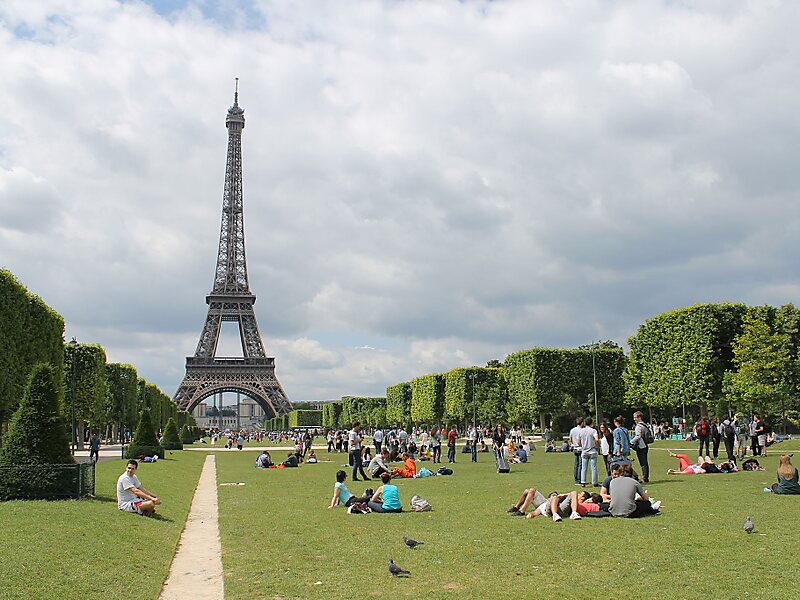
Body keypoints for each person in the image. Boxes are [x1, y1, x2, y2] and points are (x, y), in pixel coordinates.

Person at [629, 411, 650, 483]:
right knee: (645, 462)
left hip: (641, 446)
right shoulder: (645, 425)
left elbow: (638, 436)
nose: (634, 419)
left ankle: (645, 478)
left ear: (639, 417)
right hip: (645, 445)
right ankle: (646, 477)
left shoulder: (638, 426)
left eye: (635, 417)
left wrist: (631, 442)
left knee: (643, 463)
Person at [579, 417, 599, 487]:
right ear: (591, 423)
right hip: (592, 450)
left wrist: (582, 445)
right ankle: (595, 482)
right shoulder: (593, 431)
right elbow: (596, 439)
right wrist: (596, 445)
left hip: (584, 451)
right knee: (593, 467)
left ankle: (583, 481)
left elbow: (578, 441)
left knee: (584, 467)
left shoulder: (581, 431)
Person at [569, 417, 585, 485]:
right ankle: (579, 479)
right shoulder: (582, 430)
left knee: (576, 464)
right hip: (580, 448)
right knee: (580, 465)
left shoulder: (572, 430)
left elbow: (570, 439)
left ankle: (576, 478)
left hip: (575, 448)